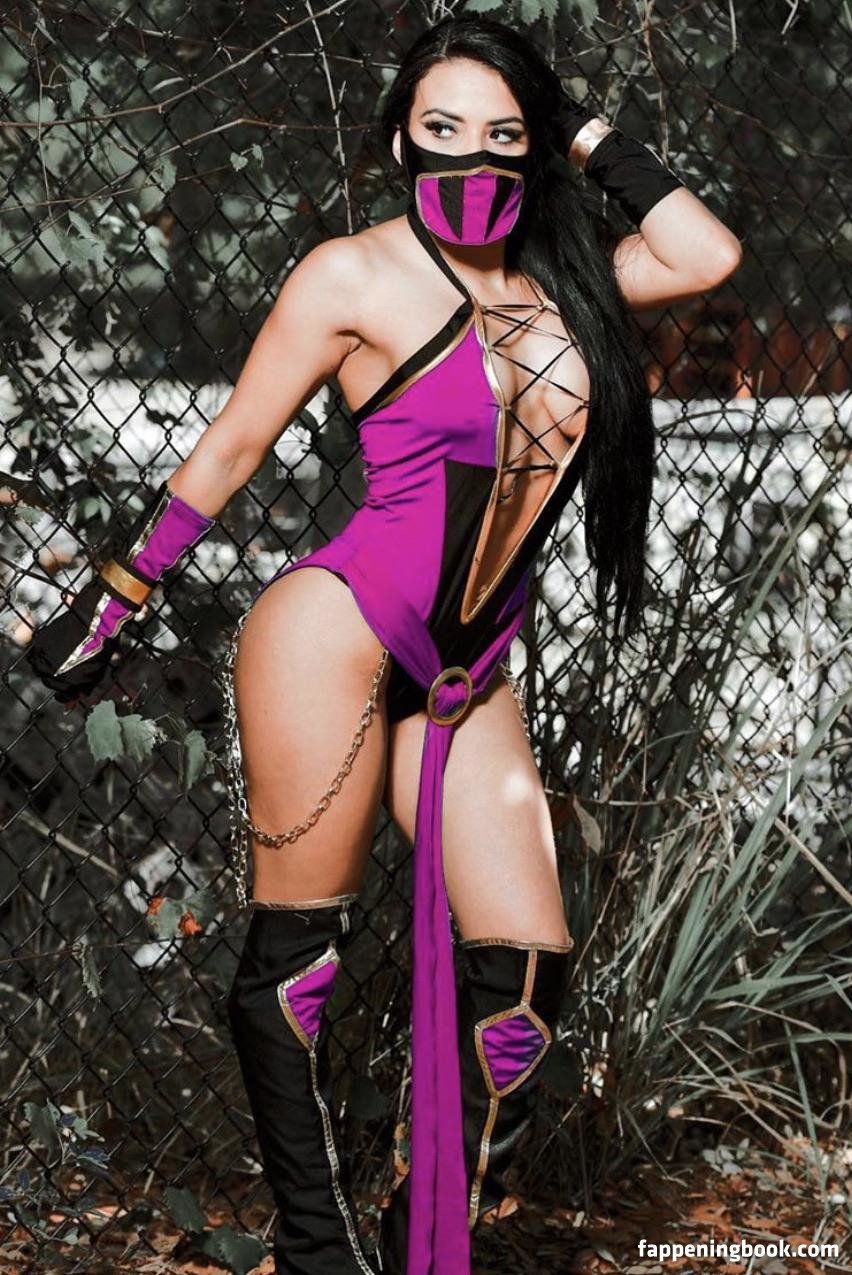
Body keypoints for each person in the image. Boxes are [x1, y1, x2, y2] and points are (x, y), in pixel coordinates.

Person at [26, 13, 742, 1275]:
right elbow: (236, 444)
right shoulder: (351, 276)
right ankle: (321, 1253)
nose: (473, 155)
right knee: (299, 969)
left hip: (471, 667)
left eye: (503, 133)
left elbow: (707, 250)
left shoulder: (569, 276)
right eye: (443, 126)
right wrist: (124, 587)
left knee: (522, 987)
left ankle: (431, 1244)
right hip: (337, 634)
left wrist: (574, 125)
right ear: (401, 139)